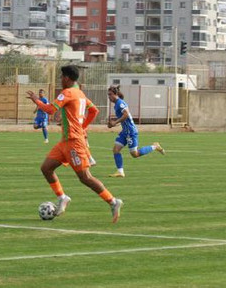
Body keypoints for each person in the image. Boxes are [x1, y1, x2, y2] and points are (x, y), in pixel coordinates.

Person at [27, 65, 123, 223]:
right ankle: (62, 197)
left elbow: (51, 110)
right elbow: (94, 111)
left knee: (85, 177)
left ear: (66, 78)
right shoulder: (80, 94)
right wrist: (82, 126)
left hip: (74, 143)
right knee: (46, 168)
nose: (60, 80)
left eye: (61, 77)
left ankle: (113, 201)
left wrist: (36, 100)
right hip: (65, 141)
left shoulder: (68, 93)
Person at [107, 85, 165, 178]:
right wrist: (113, 123)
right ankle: (120, 172)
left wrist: (115, 122)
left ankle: (155, 146)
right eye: (108, 95)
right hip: (125, 132)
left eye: (110, 95)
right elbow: (123, 117)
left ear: (115, 94)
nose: (109, 97)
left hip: (130, 131)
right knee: (116, 150)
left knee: (135, 154)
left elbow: (126, 114)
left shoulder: (120, 103)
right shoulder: (117, 104)